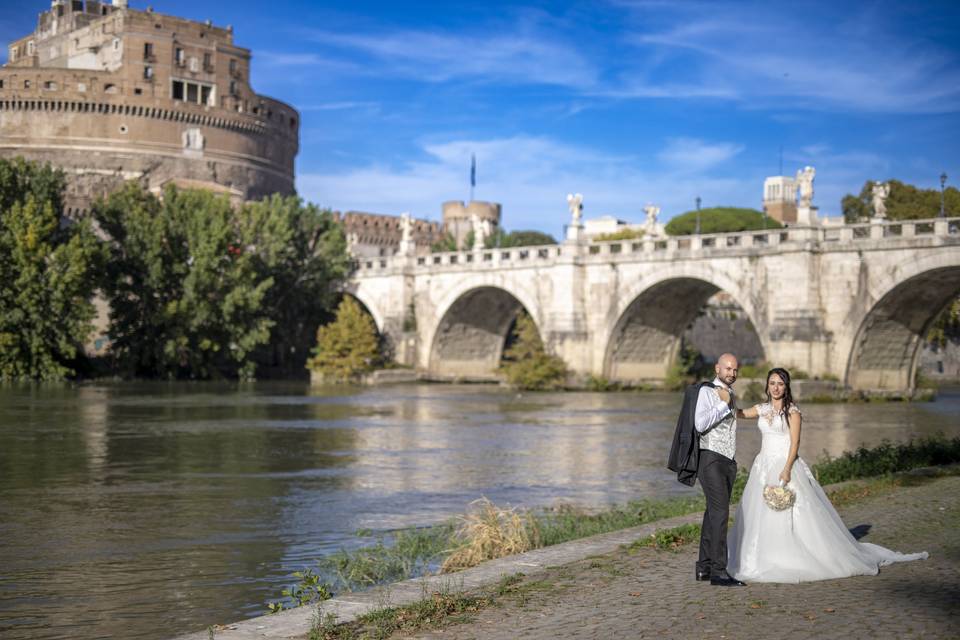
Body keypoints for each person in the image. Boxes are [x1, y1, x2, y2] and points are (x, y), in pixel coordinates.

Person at [727, 367, 928, 582]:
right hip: (762, 465)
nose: (775, 387)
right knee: (760, 512)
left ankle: (791, 555)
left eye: (780, 384)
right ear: (767, 385)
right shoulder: (761, 408)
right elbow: (738, 414)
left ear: (786, 387)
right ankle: (760, 555)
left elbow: (795, 443)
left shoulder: (792, 412)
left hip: (784, 465)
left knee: (790, 511)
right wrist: (727, 399)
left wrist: (786, 469)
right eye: (772, 383)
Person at [694, 353, 745, 586]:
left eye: (735, 370)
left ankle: (703, 568)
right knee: (721, 512)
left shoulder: (731, 393)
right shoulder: (707, 392)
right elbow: (700, 424)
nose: (731, 373)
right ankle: (719, 571)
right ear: (717, 368)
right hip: (710, 458)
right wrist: (723, 404)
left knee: (712, 514)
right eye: (727, 369)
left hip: (728, 461)